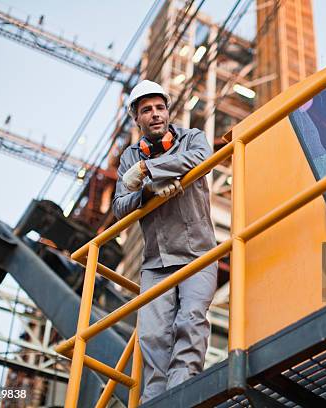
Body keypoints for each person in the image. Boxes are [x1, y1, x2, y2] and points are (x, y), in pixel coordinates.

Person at [112, 80, 217, 402]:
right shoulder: (128, 157)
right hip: (156, 263)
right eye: (147, 110)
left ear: (168, 112)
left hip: (198, 253)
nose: (155, 115)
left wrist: (148, 170)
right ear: (136, 118)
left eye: (160, 108)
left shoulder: (190, 138)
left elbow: (201, 157)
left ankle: (181, 395)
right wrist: (145, 193)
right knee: (153, 336)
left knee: (190, 321)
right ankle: (154, 402)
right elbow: (119, 207)